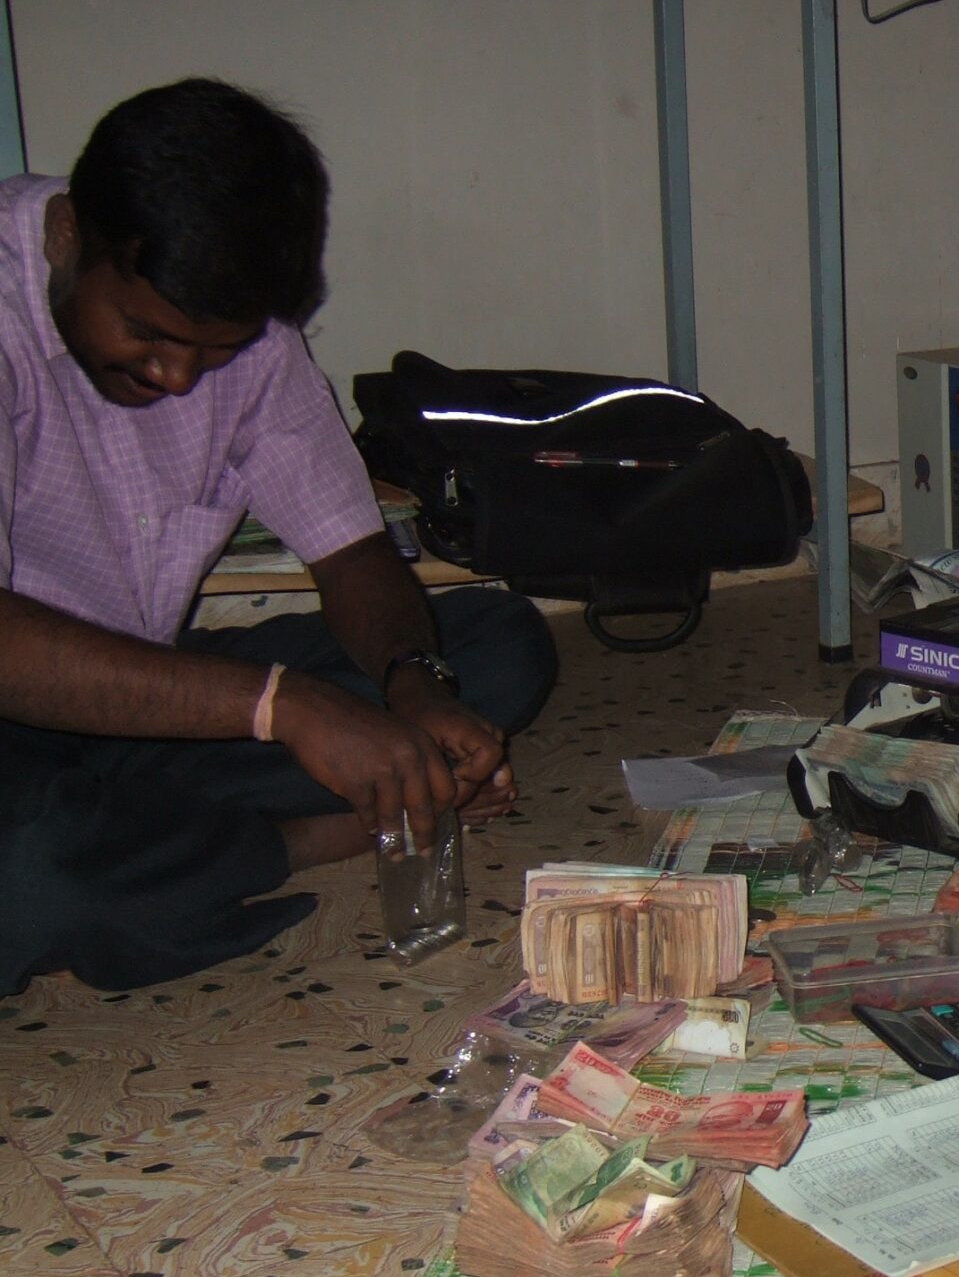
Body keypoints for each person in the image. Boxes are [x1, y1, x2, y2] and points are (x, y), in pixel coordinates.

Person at [0, 79, 556, 995]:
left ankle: (146, 851)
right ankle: (303, 838)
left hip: (148, 697)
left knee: (500, 646)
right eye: (143, 331)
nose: (177, 376)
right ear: (68, 234)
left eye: (214, 351)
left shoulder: (251, 332)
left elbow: (351, 552)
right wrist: (282, 707)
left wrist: (415, 687)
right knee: (26, 877)